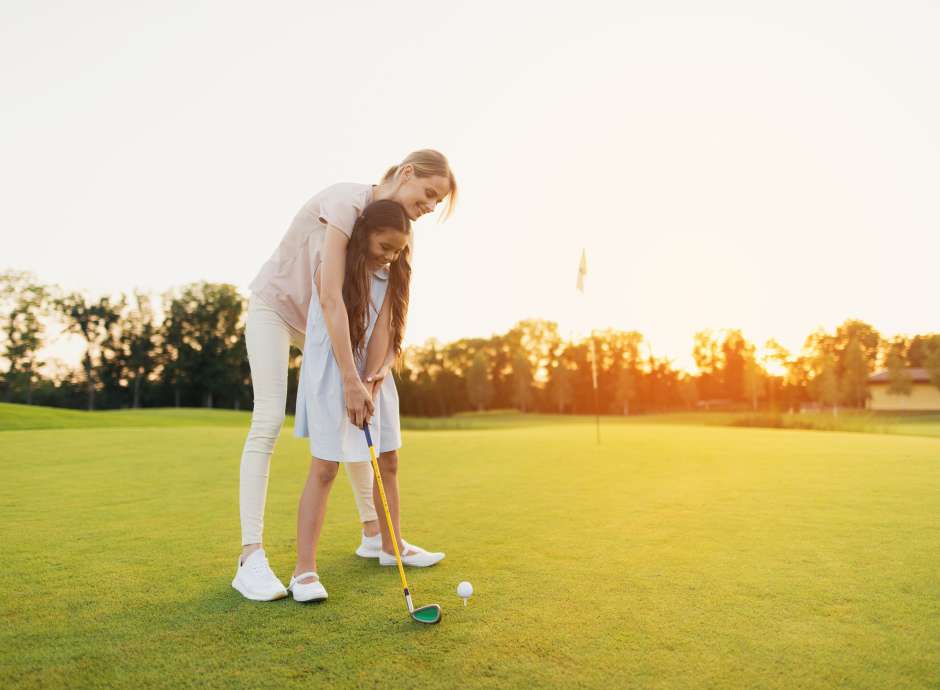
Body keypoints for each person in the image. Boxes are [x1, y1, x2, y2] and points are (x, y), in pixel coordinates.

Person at [232, 150, 456, 601]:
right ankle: (250, 557)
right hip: (279, 311)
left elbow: (388, 313)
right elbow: (331, 299)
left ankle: (376, 535)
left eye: (438, 203)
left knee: (358, 422)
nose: (431, 206)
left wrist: (371, 374)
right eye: (429, 193)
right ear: (406, 172)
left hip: (325, 325)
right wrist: (351, 379)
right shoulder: (344, 203)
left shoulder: (397, 233)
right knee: (269, 417)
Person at [288, 199, 444, 602]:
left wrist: (373, 379)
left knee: (387, 459)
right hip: (333, 369)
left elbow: (384, 331)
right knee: (325, 467)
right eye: (384, 247)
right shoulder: (336, 267)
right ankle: (304, 571)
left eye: (397, 250)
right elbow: (330, 312)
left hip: (369, 372)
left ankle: (389, 547)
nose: (390, 257)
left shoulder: (392, 275)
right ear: (364, 236)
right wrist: (350, 381)